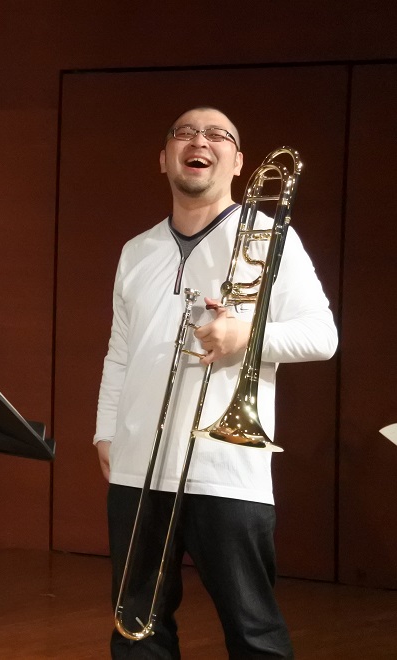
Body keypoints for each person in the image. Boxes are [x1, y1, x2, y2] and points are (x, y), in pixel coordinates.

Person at [94, 107, 337, 659]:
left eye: (216, 135)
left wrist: (246, 336)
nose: (199, 141)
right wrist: (106, 431)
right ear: (164, 159)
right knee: (137, 631)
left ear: (238, 161)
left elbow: (322, 336)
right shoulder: (136, 250)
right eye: (184, 133)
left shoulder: (271, 238)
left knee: (254, 635)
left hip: (225, 470)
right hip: (138, 467)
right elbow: (120, 353)